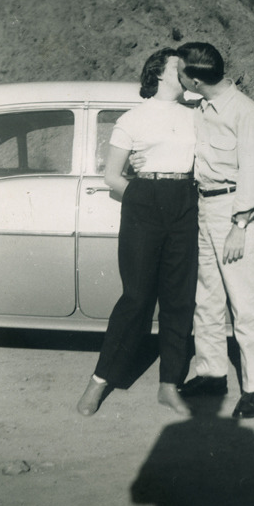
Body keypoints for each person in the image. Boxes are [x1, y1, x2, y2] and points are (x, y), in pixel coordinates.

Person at [77, 48, 198, 417]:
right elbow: (112, 176)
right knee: (136, 297)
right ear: (159, 73)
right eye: (179, 67)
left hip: (185, 200)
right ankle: (100, 380)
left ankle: (169, 384)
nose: (187, 72)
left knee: (179, 299)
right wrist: (143, 193)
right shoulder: (133, 119)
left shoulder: (197, 115)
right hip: (144, 202)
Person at [176, 42, 254, 419]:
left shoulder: (245, 112)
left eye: (181, 73)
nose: (179, 78)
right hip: (205, 206)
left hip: (234, 213)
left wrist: (239, 226)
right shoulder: (202, 106)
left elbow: (252, 173)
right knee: (207, 298)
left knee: (244, 306)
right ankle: (212, 373)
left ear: (196, 80)